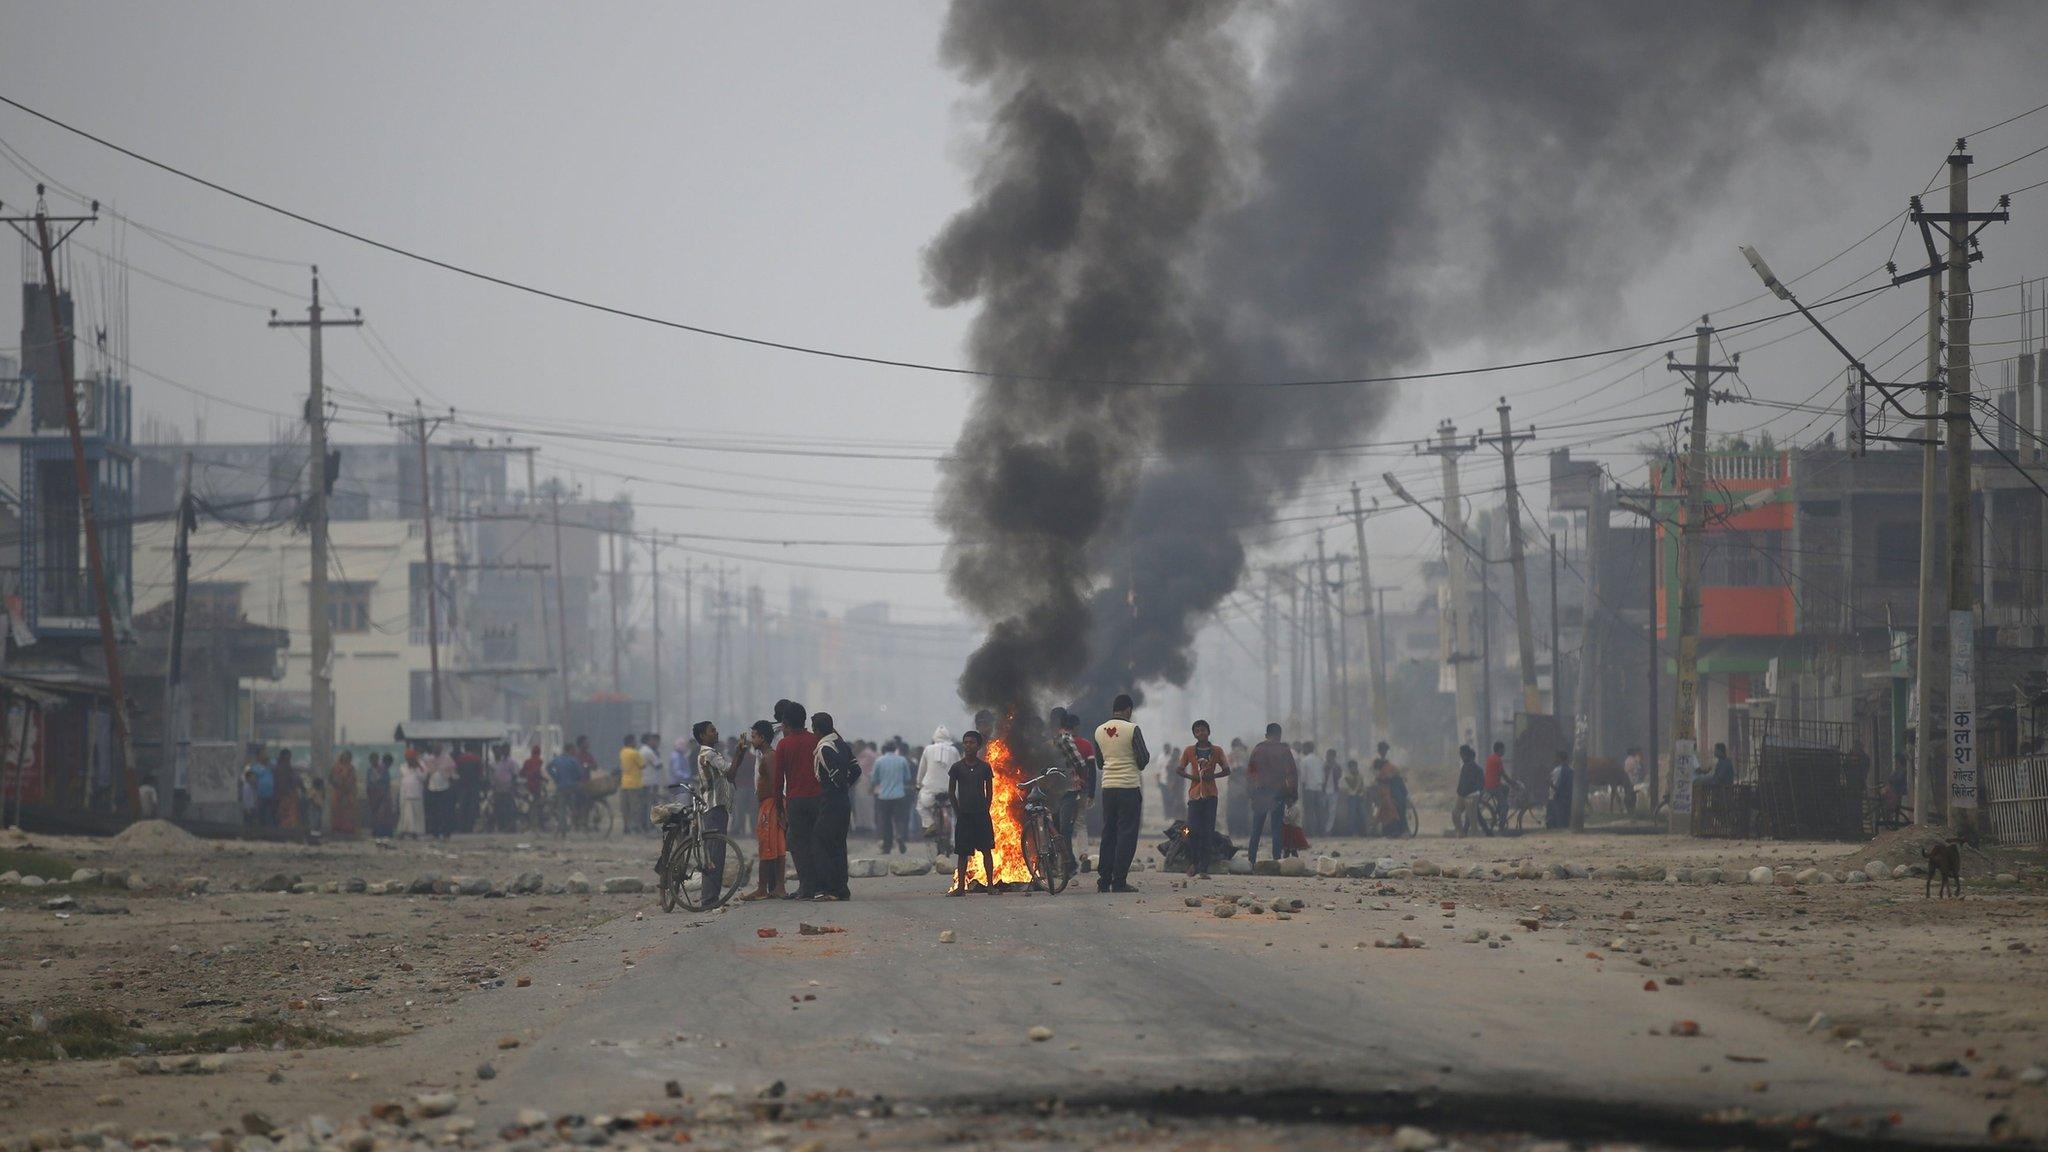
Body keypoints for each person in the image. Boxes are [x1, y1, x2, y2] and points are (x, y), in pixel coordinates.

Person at [1092, 694, 1149, 894]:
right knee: (1126, 833)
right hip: (1128, 788)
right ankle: (1119, 881)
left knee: (1108, 833)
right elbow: (1143, 759)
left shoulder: (1099, 731)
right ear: (1128, 710)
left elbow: (1100, 763)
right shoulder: (1132, 729)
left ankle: (1103, 880)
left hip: (1108, 788)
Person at [775, 700, 823, 901]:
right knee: (817, 841)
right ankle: (820, 884)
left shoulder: (784, 744)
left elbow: (778, 780)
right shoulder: (816, 740)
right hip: (818, 798)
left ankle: (806, 886)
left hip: (796, 800)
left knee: (797, 844)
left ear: (785, 721)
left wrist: (779, 807)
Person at [811, 712, 859, 902]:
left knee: (821, 841)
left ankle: (830, 889)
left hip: (831, 801)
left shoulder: (824, 748)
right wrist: (846, 785)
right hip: (843, 801)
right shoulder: (842, 744)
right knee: (838, 844)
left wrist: (840, 785)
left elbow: (836, 777)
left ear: (818, 730)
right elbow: (856, 770)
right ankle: (841, 889)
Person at [1175, 720, 1230, 879]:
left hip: (1211, 795)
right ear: (1194, 734)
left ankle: (1203, 867)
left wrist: (1212, 776)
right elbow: (1179, 769)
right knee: (1189, 829)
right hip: (1194, 795)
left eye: (1203, 730)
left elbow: (1227, 770)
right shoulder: (1189, 751)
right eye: (1197, 731)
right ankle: (1194, 861)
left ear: (1208, 732)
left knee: (1208, 832)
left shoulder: (1217, 751)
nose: (1201, 733)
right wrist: (1192, 777)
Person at [691, 720, 739, 899]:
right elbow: (729, 770)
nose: (716, 733)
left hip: (716, 807)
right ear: (702, 736)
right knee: (714, 855)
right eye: (712, 731)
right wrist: (739, 753)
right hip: (714, 807)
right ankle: (709, 898)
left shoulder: (709, 753)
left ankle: (712, 897)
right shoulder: (709, 753)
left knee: (716, 853)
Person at [742, 720, 789, 901]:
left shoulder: (769, 756)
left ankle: (763, 888)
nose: (751, 740)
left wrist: (779, 808)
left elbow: (776, 783)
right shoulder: (766, 755)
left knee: (767, 845)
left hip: (771, 805)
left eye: (754, 737)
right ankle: (778, 886)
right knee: (775, 846)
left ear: (762, 737)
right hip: (771, 804)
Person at [947, 729, 996, 896]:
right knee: (962, 852)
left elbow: (990, 792)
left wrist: (986, 808)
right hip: (964, 815)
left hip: (981, 814)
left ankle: (990, 885)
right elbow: (951, 791)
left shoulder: (984, 768)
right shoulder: (956, 768)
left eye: (972, 743)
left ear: (978, 746)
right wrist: (957, 810)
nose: (968, 746)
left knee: (986, 850)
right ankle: (961, 887)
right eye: (966, 742)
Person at [1245, 724, 1297, 865]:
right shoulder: (1284, 750)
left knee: (1256, 828)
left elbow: (1250, 773)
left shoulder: (1258, 749)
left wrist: (1251, 793)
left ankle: (1251, 860)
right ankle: (1276, 860)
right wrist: (1292, 795)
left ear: (1266, 735)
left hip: (1261, 792)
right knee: (1276, 828)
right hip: (1278, 792)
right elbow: (1291, 773)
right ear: (1279, 734)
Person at [1050, 709, 1091, 878]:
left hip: (1069, 790)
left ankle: (1069, 864)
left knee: (1064, 829)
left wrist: (1082, 781)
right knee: (1058, 828)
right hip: (1057, 790)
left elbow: (1080, 763)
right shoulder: (1054, 739)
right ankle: (1065, 863)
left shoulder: (1065, 738)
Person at [916, 726, 961, 849]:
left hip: (930, 791)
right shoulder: (954, 751)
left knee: (920, 806)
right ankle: (952, 841)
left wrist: (918, 784)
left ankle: (930, 824)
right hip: (950, 791)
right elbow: (959, 768)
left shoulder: (928, 750)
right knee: (952, 814)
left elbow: (922, 770)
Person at [871, 739, 914, 854]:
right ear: (895, 749)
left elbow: (874, 779)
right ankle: (900, 835)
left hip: (884, 796)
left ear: (884, 749)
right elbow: (907, 778)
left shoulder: (879, 761)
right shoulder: (902, 760)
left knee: (886, 822)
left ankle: (887, 846)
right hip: (899, 795)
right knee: (899, 819)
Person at [547, 743, 586, 837]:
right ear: (571, 750)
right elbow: (581, 773)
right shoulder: (573, 760)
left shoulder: (557, 759)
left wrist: (555, 777)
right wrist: (575, 778)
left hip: (561, 787)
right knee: (578, 800)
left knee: (562, 809)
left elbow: (548, 767)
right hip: (573, 786)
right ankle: (577, 815)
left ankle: (563, 831)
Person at [425, 744, 457, 839]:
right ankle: (435, 833)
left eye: (438, 748)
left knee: (445, 812)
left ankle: (446, 833)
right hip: (432, 788)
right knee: (434, 813)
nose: (436, 750)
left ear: (441, 749)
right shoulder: (429, 759)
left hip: (444, 788)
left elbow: (452, 773)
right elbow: (426, 774)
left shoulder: (447, 759)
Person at [1452, 745, 1483, 836]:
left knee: (1472, 818)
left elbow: (1479, 784)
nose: (1461, 756)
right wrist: (1459, 792)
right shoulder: (1465, 766)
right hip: (1462, 794)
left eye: (1462, 754)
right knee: (1455, 814)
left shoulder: (1476, 768)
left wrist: (1474, 793)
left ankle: (1474, 836)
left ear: (1466, 755)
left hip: (1471, 795)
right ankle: (1461, 833)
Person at [619, 734, 646, 835]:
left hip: (624, 782)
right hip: (634, 783)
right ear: (631, 742)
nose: (636, 743)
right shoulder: (635, 753)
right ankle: (636, 827)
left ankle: (626, 827)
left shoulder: (622, 752)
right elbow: (643, 765)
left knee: (625, 808)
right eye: (634, 741)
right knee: (635, 808)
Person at [397, 750, 427, 839]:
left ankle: (416, 832)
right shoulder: (403, 766)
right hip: (405, 795)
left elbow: (423, 777)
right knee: (405, 815)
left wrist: (416, 767)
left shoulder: (421, 765)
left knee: (416, 814)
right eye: (407, 759)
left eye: (411, 759)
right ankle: (404, 831)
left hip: (416, 795)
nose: (409, 760)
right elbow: (404, 776)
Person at [489, 745, 519, 831]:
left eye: (506, 750)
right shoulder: (499, 762)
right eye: (503, 750)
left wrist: (512, 787)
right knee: (499, 808)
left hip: (508, 789)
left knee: (509, 809)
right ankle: (501, 826)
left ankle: (510, 827)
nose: (504, 752)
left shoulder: (512, 762)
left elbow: (514, 776)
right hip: (498, 790)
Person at [330, 750, 360, 837]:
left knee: (348, 813)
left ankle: (348, 830)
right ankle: (337, 829)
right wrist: (340, 783)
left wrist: (349, 788)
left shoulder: (351, 768)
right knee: (337, 812)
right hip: (338, 793)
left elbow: (353, 781)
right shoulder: (336, 767)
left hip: (348, 793)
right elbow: (332, 779)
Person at [366, 752, 395, 838]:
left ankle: (384, 832)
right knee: (375, 815)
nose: (374, 761)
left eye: (376, 759)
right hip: (374, 796)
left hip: (383, 796)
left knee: (383, 815)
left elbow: (386, 783)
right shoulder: (370, 771)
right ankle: (376, 832)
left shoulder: (383, 770)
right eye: (372, 760)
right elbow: (368, 784)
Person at [1339, 756, 1368, 837]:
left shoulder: (1360, 775)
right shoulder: (1347, 777)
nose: (1353, 768)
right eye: (1352, 767)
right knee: (1352, 815)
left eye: (1354, 766)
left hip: (1359, 796)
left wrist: (1362, 793)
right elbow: (1352, 786)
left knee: (1362, 815)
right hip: (1352, 797)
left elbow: (1362, 786)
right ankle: (1351, 832)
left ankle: (1363, 832)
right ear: (1349, 768)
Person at [639, 733, 662, 832]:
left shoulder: (641, 750)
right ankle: (649, 826)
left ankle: (645, 825)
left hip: (644, 781)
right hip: (650, 782)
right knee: (650, 806)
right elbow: (658, 764)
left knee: (645, 805)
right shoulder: (649, 752)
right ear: (648, 741)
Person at [274, 749, 301, 831]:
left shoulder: (284, 766)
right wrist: (287, 793)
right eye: (288, 756)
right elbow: (282, 782)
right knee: (285, 813)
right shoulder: (282, 767)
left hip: (287, 794)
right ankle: (285, 830)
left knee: (287, 814)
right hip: (285, 795)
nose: (289, 758)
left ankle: (287, 829)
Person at [1546, 749, 1574, 829]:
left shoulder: (1557, 770)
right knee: (1565, 820)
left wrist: (1549, 783)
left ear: (1559, 758)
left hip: (1557, 799)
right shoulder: (1571, 771)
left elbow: (1555, 786)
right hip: (1568, 799)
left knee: (1554, 821)